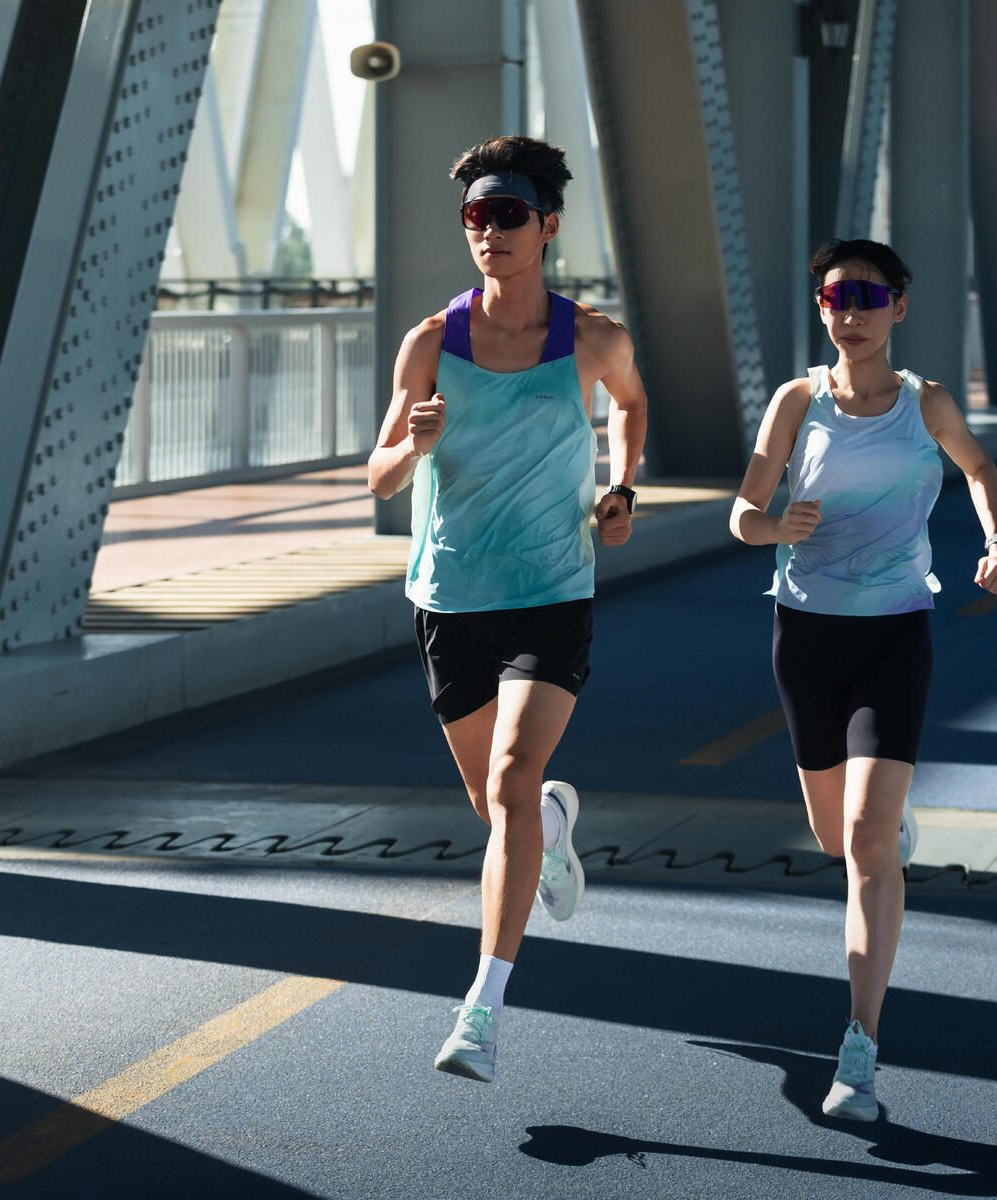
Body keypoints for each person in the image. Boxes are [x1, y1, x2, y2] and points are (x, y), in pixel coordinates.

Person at [368, 136, 649, 1083]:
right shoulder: (429, 343)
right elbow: (376, 477)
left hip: (549, 588)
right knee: (501, 805)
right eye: (475, 217)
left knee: (515, 784)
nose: (489, 231)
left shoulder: (593, 337)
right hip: (450, 593)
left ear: (548, 227)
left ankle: (481, 1008)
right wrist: (414, 444)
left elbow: (631, 405)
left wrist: (622, 491)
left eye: (509, 216)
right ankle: (552, 835)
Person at [729, 238, 997, 1120]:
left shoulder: (926, 402)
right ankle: (884, 828)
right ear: (820, 309)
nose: (849, 311)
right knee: (835, 837)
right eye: (833, 296)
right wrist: (775, 527)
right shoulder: (795, 401)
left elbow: (978, 467)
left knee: (865, 840)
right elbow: (742, 513)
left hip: (895, 633)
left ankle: (860, 1048)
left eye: (867, 295)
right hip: (807, 636)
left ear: (899, 305)